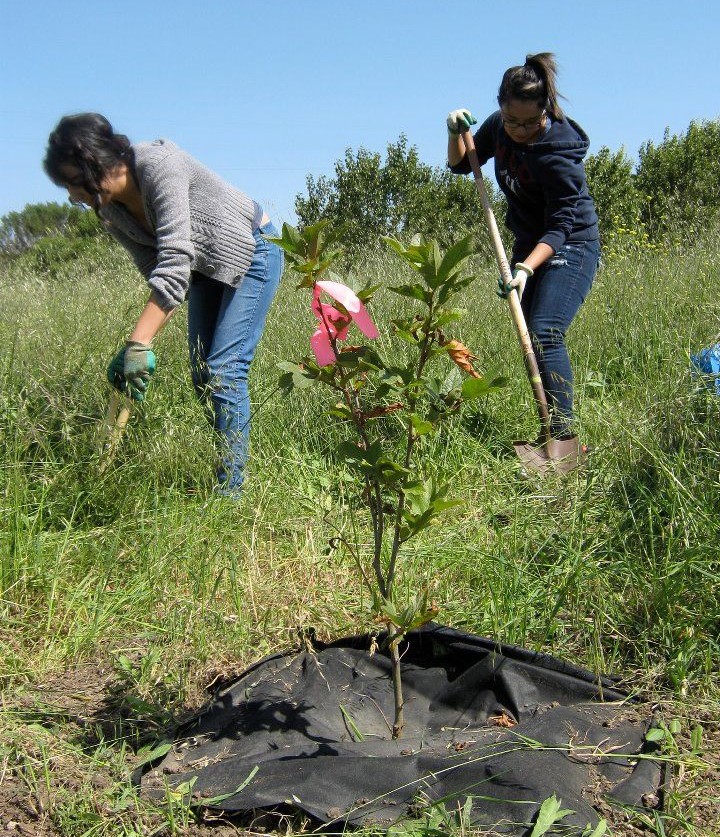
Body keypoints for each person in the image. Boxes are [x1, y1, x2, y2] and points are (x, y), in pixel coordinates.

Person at [43, 113, 283, 495]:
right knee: (203, 376)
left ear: (92, 163)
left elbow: (175, 261)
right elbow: (162, 274)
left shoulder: (158, 165)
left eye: (71, 183)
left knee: (224, 370)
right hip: (204, 269)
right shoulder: (110, 212)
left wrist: (138, 342)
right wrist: (136, 348)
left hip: (255, 249)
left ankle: (231, 493)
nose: (72, 196)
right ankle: (225, 466)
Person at [446, 53, 599, 462]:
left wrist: (527, 268)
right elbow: (462, 163)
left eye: (530, 123)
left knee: (546, 331)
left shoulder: (558, 154)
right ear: (501, 108)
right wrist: (453, 130)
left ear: (545, 110)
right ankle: (549, 431)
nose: (520, 131)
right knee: (530, 338)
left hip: (572, 244)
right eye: (512, 122)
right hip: (527, 243)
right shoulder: (502, 126)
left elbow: (562, 225)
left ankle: (565, 441)